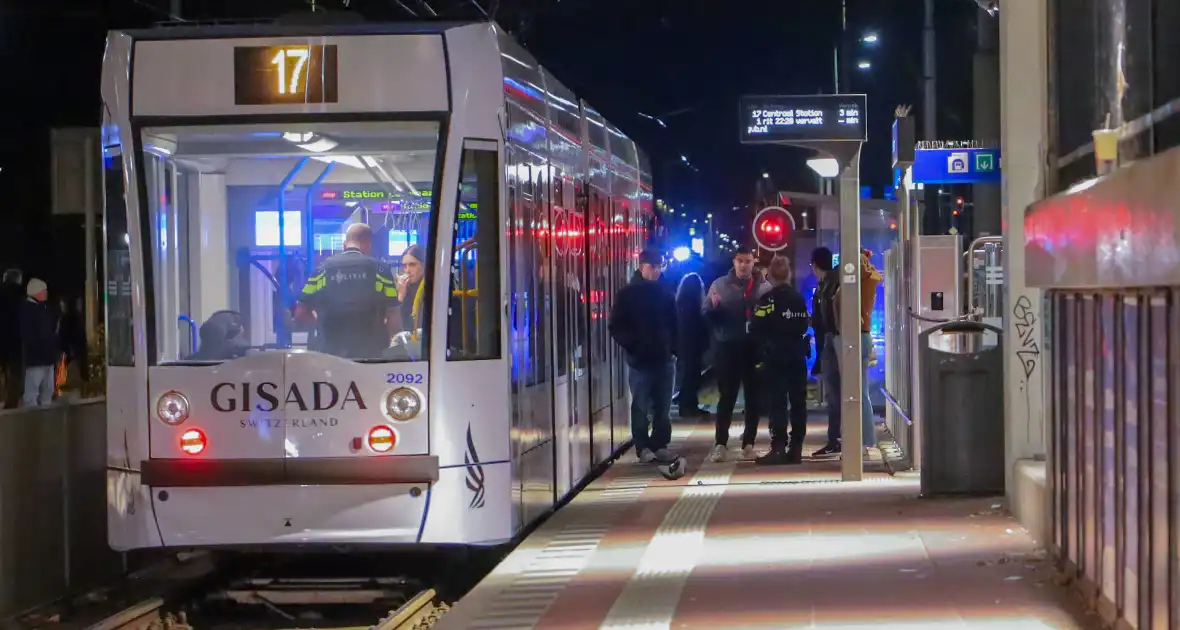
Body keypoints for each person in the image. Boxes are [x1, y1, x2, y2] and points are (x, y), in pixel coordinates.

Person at [608, 249, 679, 464]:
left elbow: (675, 324)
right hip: (639, 360)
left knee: (663, 406)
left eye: (659, 267)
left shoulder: (665, 292)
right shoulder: (627, 295)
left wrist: (673, 350)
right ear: (641, 266)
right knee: (640, 404)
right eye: (652, 267)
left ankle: (660, 444)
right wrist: (633, 345)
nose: (656, 271)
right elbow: (615, 325)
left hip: (664, 358)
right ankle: (642, 447)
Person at [703, 245, 771, 462]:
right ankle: (720, 444)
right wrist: (714, 308)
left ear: (754, 263)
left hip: (754, 348)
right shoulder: (720, 285)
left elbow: (772, 315)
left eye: (748, 261)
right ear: (734, 262)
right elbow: (705, 314)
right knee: (727, 397)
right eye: (740, 261)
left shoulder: (764, 287)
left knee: (754, 397)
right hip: (728, 347)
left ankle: (748, 443)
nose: (744, 265)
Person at [296, 223, 400, 358]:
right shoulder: (380, 270)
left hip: (330, 354)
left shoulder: (322, 269)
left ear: (345, 244)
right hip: (370, 353)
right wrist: (395, 348)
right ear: (369, 243)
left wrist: (321, 323)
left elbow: (300, 312)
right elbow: (393, 313)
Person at [750, 257, 811, 465]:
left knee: (777, 402)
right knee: (798, 403)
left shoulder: (768, 299)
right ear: (788, 274)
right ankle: (796, 448)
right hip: (797, 355)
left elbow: (755, 325)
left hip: (775, 356)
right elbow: (804, 324)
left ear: (770, 276)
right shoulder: (799, 298)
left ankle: (778, 447)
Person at [832, 249, 884, 451]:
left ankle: (861, 440)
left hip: (854, 335)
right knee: (858, 391)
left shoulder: (856, 283)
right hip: (857, 335)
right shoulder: (864, 280)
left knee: (855, 392)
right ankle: (864, 438)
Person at [810, 247, 843, 455]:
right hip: (833, 341)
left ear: (814, 265)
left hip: (832, 342)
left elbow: (823, 321)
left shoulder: (827, 286)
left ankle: (835, 439)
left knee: (834, 394)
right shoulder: (832, 282)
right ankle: (837, 437)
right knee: (836, 393)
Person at [673, 273, 709, 418]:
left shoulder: (679, 304)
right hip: (693, 345)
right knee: (692, 376)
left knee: (687, 376)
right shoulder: (695, 307)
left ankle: (687, 405)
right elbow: (701, 326)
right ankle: (689, 406)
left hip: (683, 345)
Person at [21, 278, 59, 407]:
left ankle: (45, 420)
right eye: (44, 291)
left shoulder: (45, 308)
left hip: (47, 357)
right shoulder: (28, 310)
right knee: (32, 393)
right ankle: (31, 421)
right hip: (36, 359)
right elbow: (29, 335)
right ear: (35, 293)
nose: (46, 293)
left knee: (47, 391)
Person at [0, 269, 24, 408]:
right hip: (16, 338)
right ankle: (11, 400)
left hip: (3, 338)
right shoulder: (20, 296)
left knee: (5, 368)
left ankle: (8, 397)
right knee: (15, 370)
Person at [396, 244, 427, 332]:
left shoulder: (435, 287)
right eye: (405, 266)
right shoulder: (403, 288)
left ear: (424, 264)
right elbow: (397, 325)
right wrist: (401, 296)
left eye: (412, 265)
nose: (407, 270)